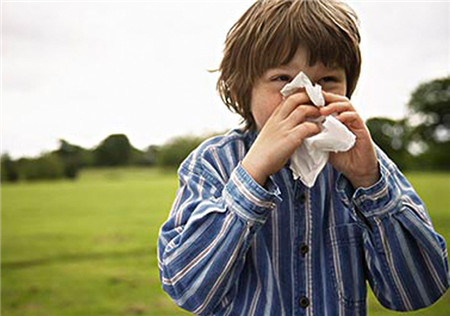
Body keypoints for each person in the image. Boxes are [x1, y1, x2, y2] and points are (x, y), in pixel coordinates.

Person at [157, 0, 449, 315]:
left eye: (327, 80)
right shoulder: (213, 163)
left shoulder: (366, 165)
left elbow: (420, 291)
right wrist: (253, 174)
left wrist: (370, 183)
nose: (306, 94)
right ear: (245, 88)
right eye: (283, 78)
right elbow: (186, 288)